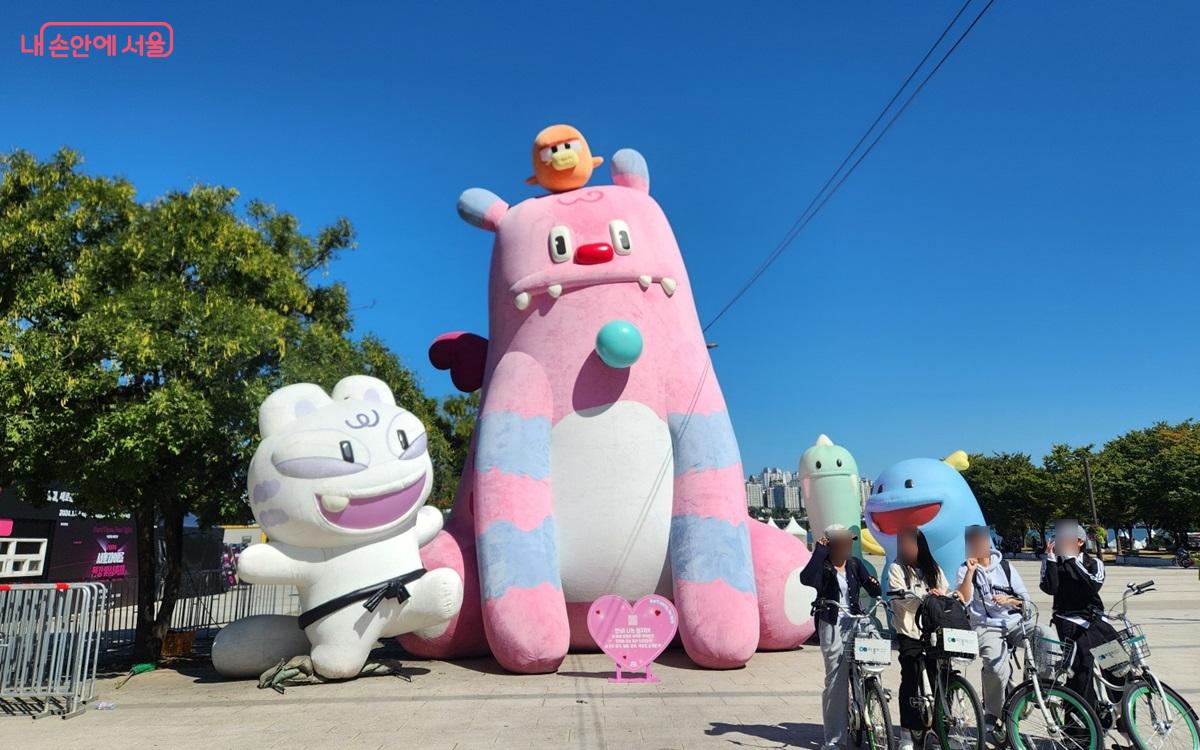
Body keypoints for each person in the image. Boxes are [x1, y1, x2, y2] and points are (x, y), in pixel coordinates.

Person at [800, 524, 882, 750]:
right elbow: (806, 578)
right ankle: (834, 740)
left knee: (873, 655)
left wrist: (875, 587)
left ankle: (873, 699)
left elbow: (874, 589)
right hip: (833, 622)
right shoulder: (824, 566)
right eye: (844, 542)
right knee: (836, 681)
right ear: (832, 544)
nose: (848, 546)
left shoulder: (855, 565)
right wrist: (818, 552)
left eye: (850, 542)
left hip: (855, 619)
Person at [955, 524, 1035, 738]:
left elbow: (1026, 600)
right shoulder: (964, 569)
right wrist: (970, 573)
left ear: (988, 541)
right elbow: (963, 598)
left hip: (1015, 623)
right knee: (995, 667)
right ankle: (993, 712)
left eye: (980, 540)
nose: (977, 545)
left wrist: (1010, 601)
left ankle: (1040, 689)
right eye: (971, 542)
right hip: (986, 626)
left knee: (1045, 636)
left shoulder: (1006, 567)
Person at [1040, 521, 1119, 711]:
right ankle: (1081, 732)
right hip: (1068, 620)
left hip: (1094, 618)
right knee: (1081, 669)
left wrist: (1072, 561)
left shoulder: (1094, 563)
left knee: (1117, 664)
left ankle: (1122, 717)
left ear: (1080, 542)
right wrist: (1051, 560)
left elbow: (1091, 586)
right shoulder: (1053, 562)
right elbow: (1050, 588)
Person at [888, 527, 953, 750]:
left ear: (920, 546)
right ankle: (906, 732)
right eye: (901, 544)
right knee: (910, 677)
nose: (904, 548)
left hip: (934, 631)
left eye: (909, 543)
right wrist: (927, 596)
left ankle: (938, 730)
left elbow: (946, 591)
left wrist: (942, 595)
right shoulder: (896, 568)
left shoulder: (933, 569)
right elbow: (901, 598)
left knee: (940, 679)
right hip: (909, 631)